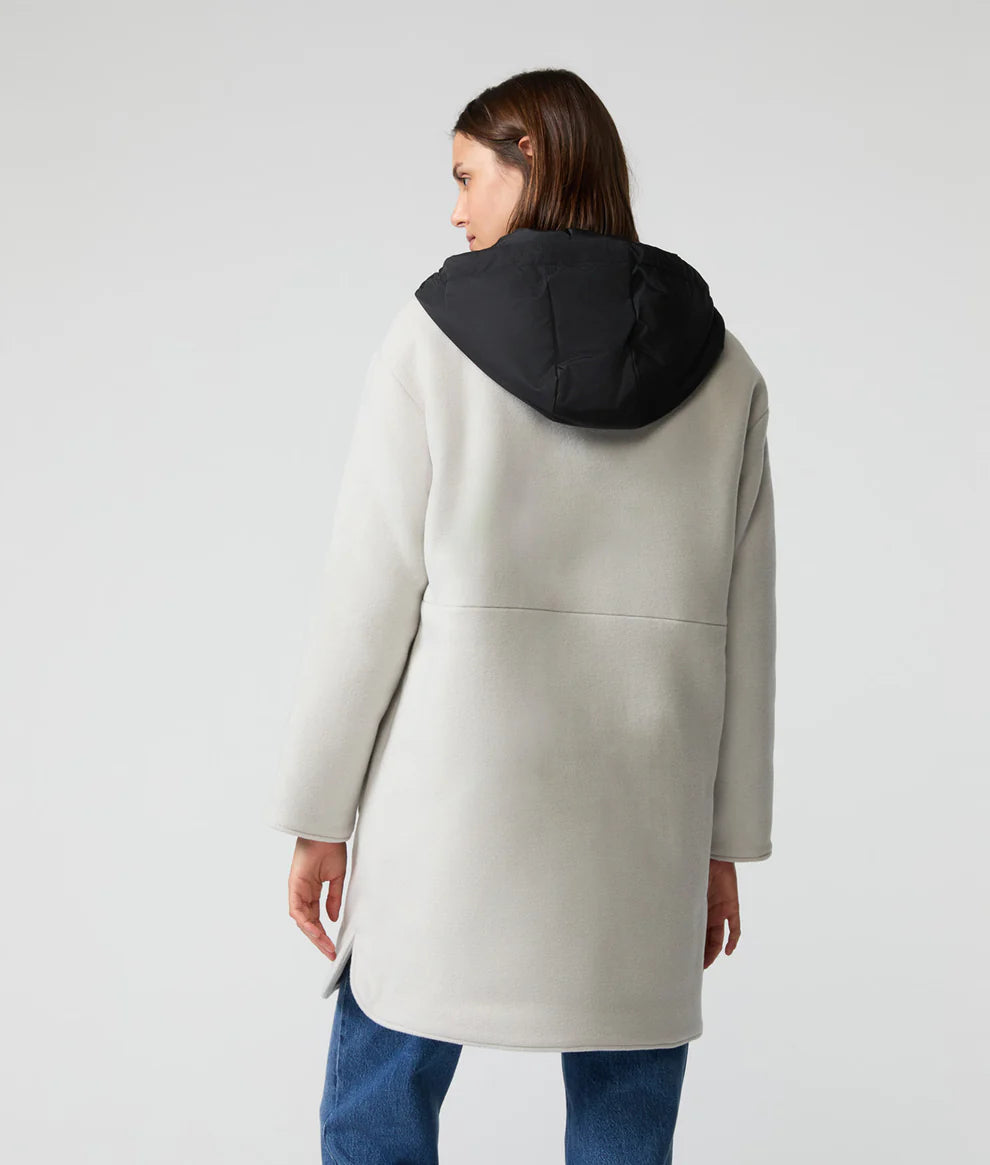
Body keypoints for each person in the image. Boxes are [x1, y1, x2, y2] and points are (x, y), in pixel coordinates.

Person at [268, 67, 776, 1165]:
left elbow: (367, 595)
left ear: (530, 159)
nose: (455, 212)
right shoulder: (725, 369)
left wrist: (320, 812)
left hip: (449, 805)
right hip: (645, 815)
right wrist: (724, 841)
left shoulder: (430, 340)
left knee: (380, 1083)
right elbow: (747, 630)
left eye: (466, 177)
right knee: (626, 1101)